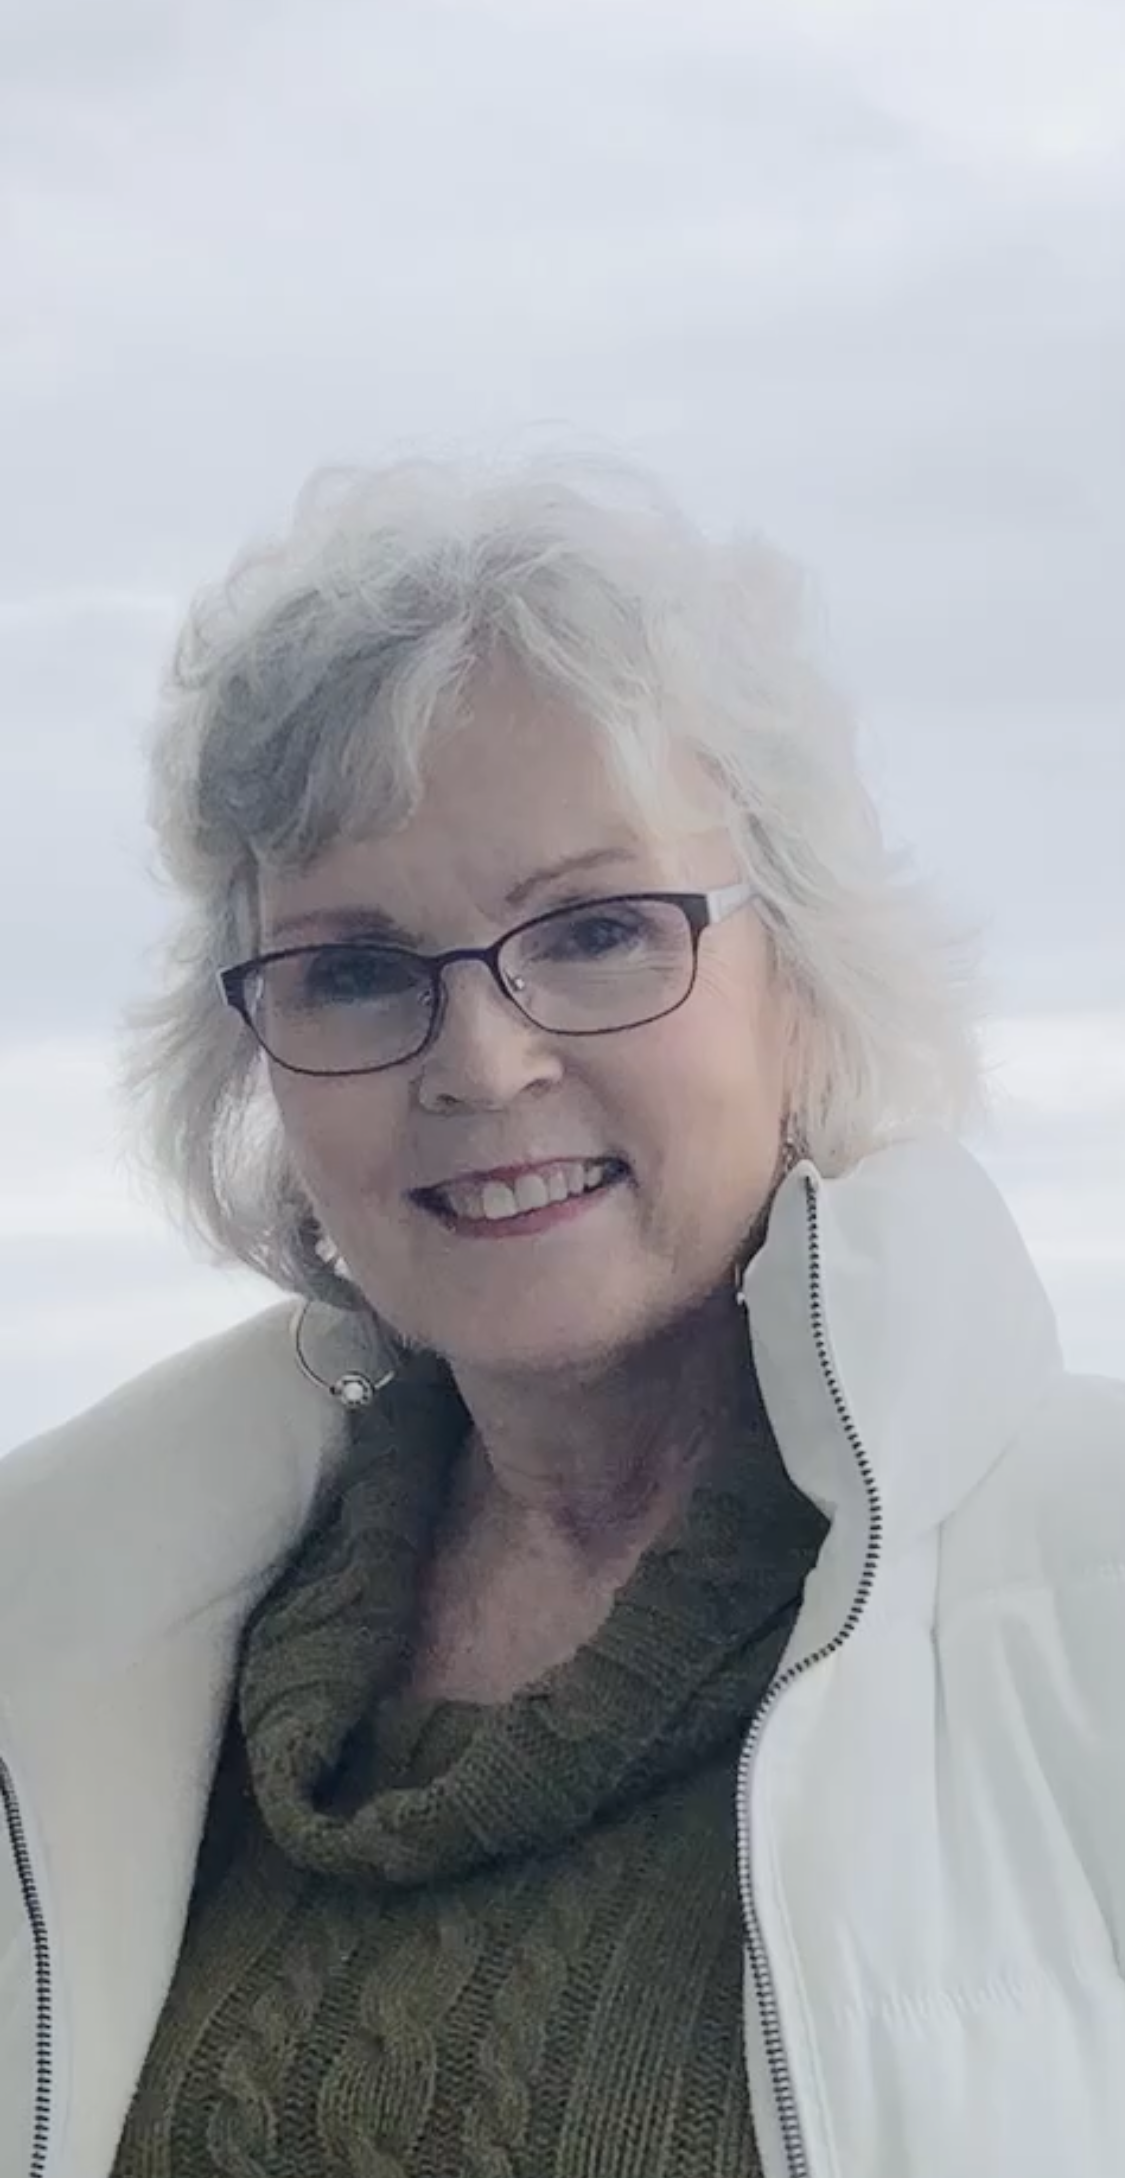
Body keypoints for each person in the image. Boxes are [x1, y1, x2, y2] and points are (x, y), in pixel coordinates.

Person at [1, 455, 1123, 2178]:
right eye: (355, 970)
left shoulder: (1086, 1586)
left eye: (597, 931)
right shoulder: (82, 1635)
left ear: (803, 981)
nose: (483, 1060)